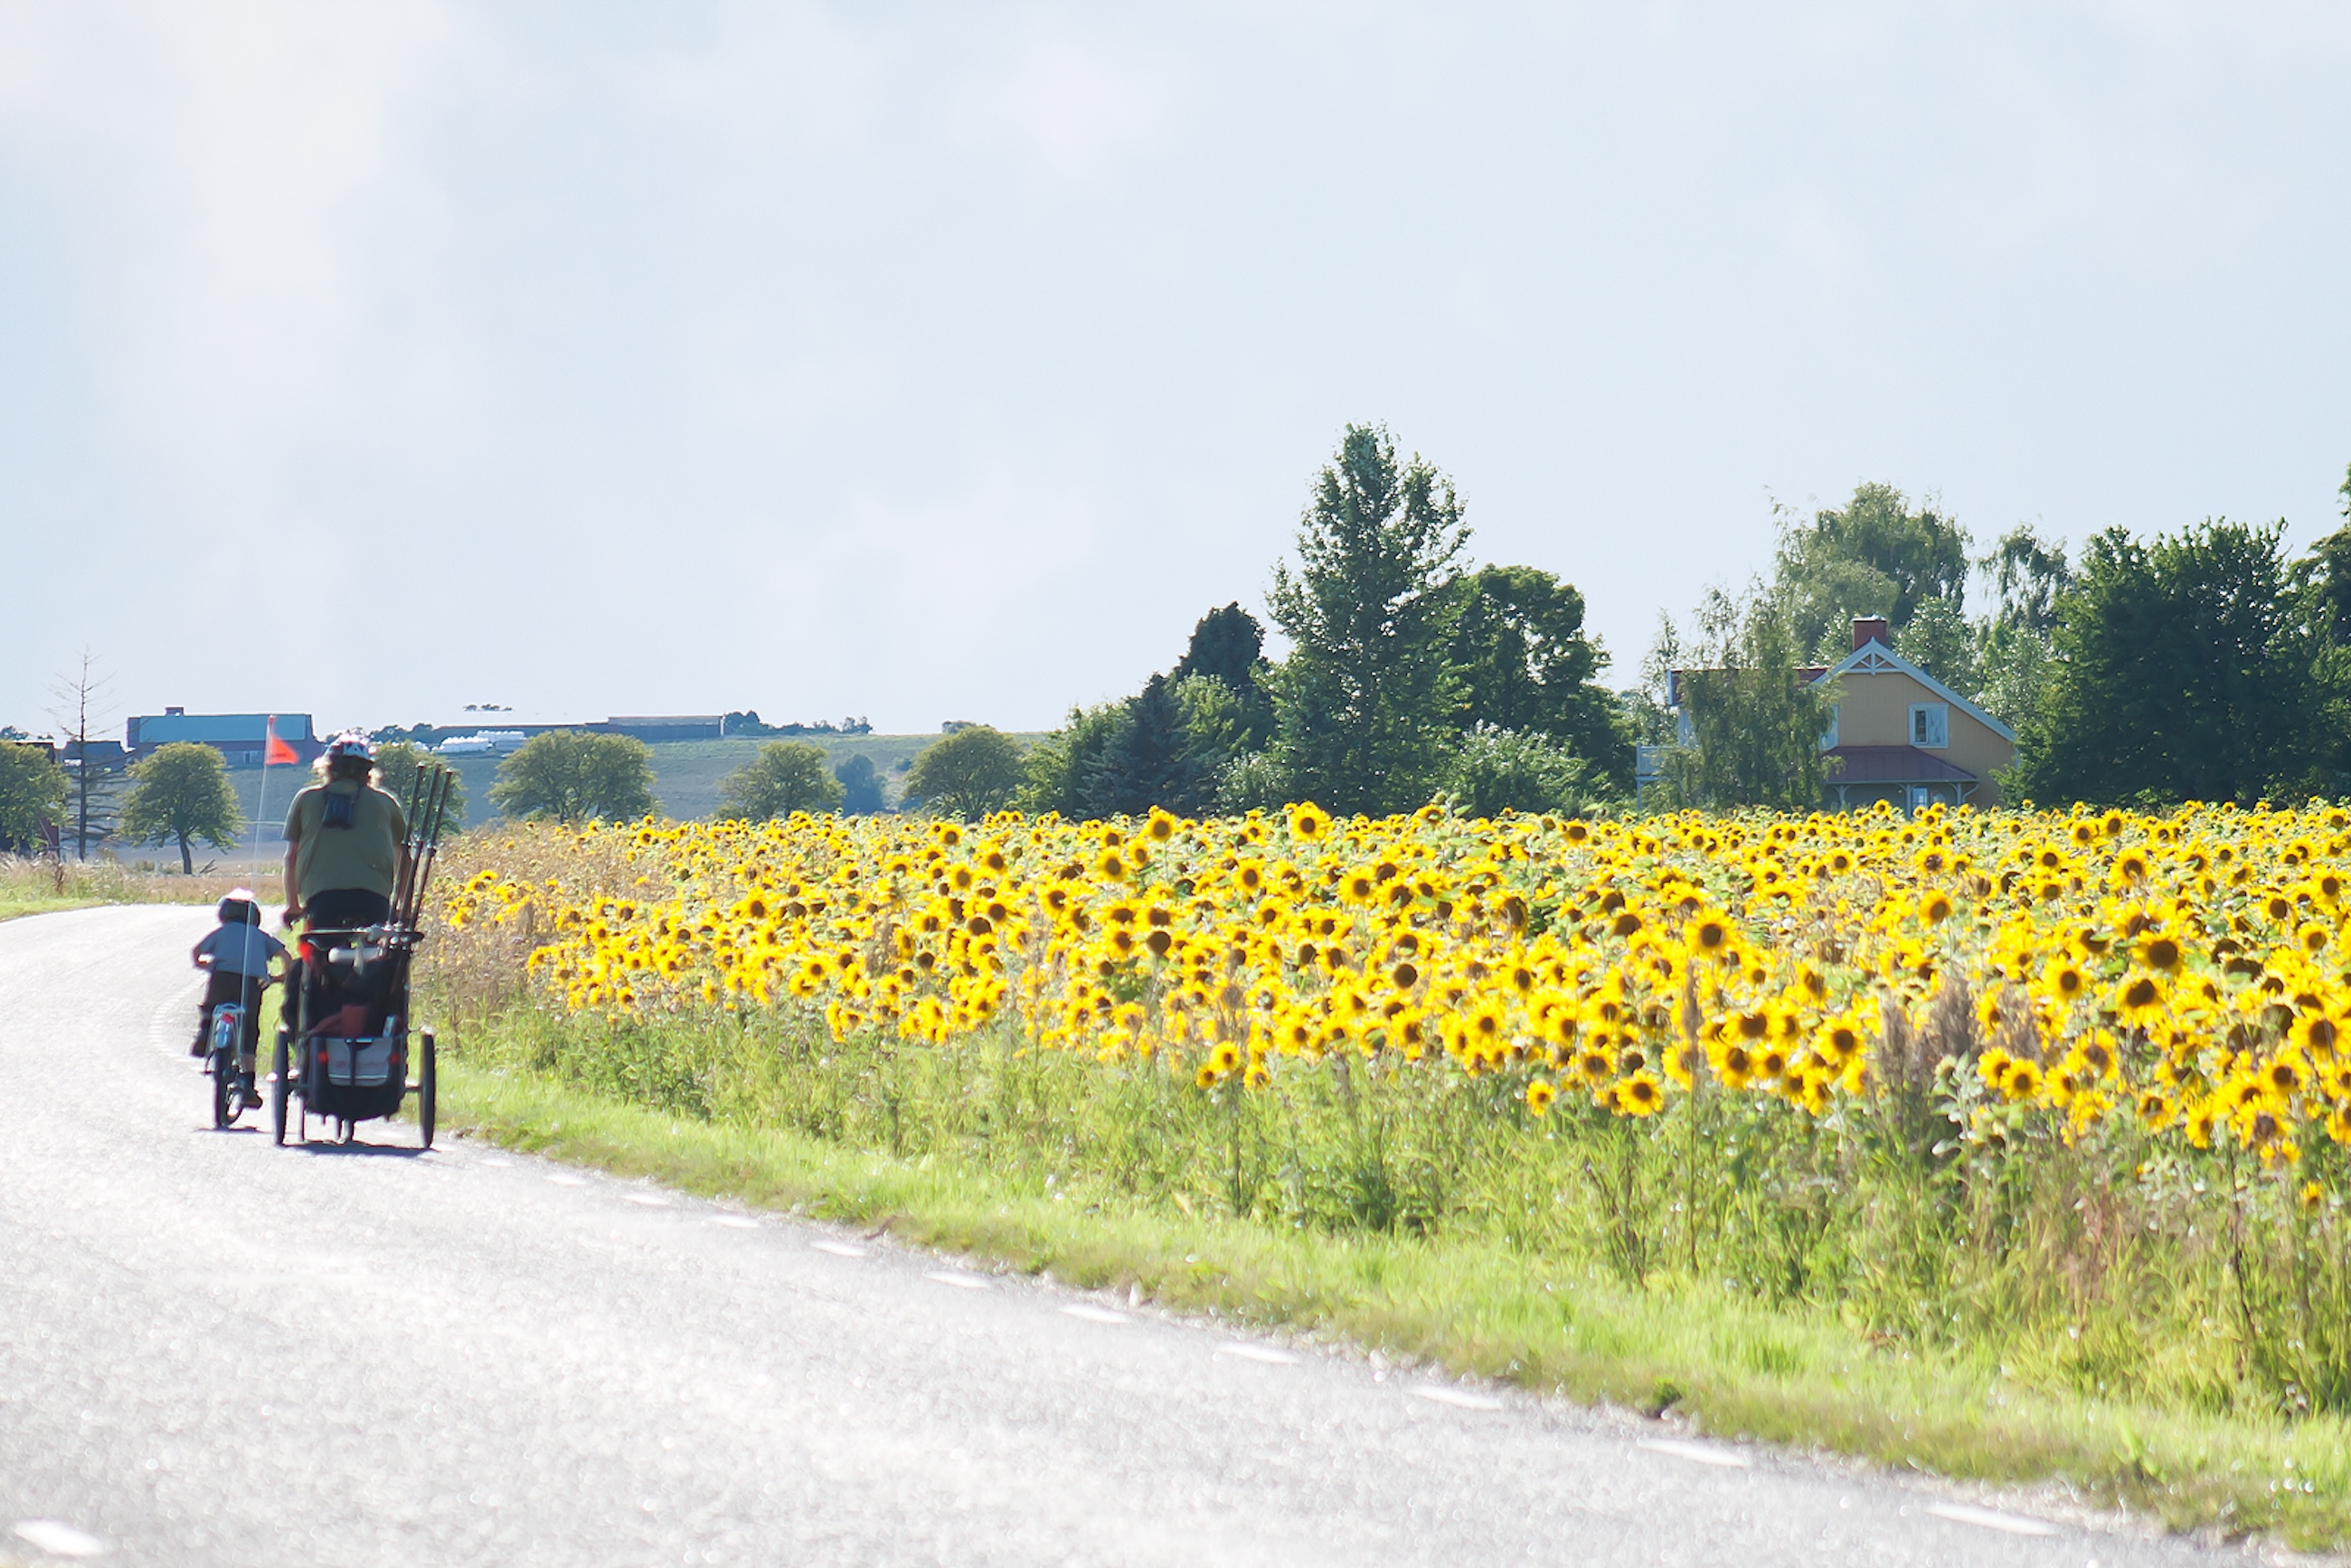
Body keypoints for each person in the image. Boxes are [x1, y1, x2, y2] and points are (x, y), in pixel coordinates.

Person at [281, 732, 410, 931]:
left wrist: (293, 905)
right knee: (380, 954)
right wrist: (402, 905)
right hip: (374, 898)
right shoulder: (386, 802)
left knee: (317, 953)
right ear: (368, 770)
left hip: (322, 898)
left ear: (328, 767)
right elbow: (404, 858)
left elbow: (291, 857)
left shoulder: (306, 799)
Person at [191, 892, 288, 1108]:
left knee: (211, 1006)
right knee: (249, 1028)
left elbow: (196, 952)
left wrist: (204, 965)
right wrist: (278, 978)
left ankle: (206, 1033)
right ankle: (248, 1082)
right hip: (251, 984)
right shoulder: (261, 936)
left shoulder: (221, 932)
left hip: (222, 978)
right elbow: (286, 958)